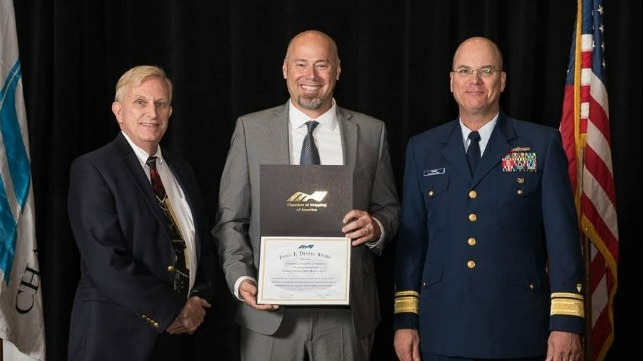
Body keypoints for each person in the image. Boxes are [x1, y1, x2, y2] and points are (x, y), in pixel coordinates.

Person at [393, 37, 585, 361]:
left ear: (503, 79)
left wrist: (566, 323)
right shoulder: (422, 150)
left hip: (518, 330)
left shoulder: (541, 144)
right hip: (442, 331)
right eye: (465, 71)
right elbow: (412, 247)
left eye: (486, 70)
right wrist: (405, 320)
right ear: (451, 81)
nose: (475, 81)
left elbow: (562, 241)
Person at [212, 30, 400, 361]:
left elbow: (389, 209)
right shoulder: (250, 131)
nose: (310, 76)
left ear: (338, 71)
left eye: (321, 65)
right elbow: (231, 218)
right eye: (300, 64)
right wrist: (241, 278)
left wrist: (377, 228)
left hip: (345, 315)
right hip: (270, 314)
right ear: (285, 69)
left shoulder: (372, 132)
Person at [67, 65, 215, 361]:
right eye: (140, 102)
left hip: (181, 338)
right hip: (115, 338)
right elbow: (106, 260)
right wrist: (172, 310)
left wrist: (199, 296)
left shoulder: (181, 170)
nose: (153, 112)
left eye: (161, 104)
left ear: (170, 112)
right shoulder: (94, 169)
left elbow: (202, 245)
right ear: (118, 111)